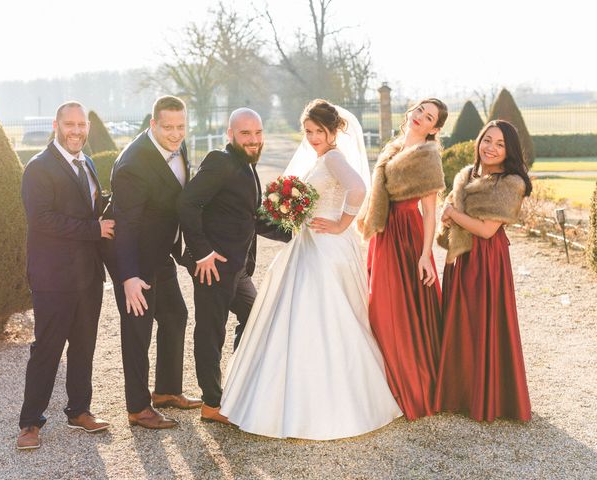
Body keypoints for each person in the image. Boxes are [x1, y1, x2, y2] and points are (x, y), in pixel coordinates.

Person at [219, 99, 402, 440]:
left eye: (320, 131)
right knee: (306, 313)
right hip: (311, 242)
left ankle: (325, 402)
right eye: (309, 131)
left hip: (325, 245)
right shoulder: (322, 157)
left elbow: (359, 189)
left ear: (335, 131)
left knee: (326, 314)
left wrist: (341, 224)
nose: (314, 137)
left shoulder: (332, 157)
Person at [178, 108, 290, 424]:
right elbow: (187, 203)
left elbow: (251, 218)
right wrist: (202, 253)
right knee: (211, 333)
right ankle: (212, 404)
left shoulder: (247, 166)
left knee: (255, 319)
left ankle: (238, 385)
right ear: (231, 135)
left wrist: (295, 235)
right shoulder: (219, 162)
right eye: (245, 134)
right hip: (212, 267)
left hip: (238, 270)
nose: (253, 140)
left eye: (257, 133)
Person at [18, 101, 113, 450]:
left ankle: (79, 411)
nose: (76, 131)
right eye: (69, 124)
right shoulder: (38, 168)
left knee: (84, 346)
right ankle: (30, 422)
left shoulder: (86, 162)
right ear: (56, 126)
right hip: (53, 276)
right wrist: (94, 229)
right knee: (47, 349)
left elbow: (90, 206)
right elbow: (42, 219)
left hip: (87, 275)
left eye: (81, 124)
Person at [104, 95, 200, 430]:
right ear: (153, 125)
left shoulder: (179, 147)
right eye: (168, 127)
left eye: (181, 127)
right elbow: (126, 226)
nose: (176, 134)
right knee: (137, 331)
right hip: (134, 259)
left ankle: (167, 391)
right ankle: (138, 408)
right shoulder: (133, 165)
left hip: (160, 253)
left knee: (176, 314)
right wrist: (128, 276)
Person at [434, 120, 532, 422]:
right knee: (461, 322)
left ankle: (490, 396)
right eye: (487, 140)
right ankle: (461, 393)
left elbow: (488, 231)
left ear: (509, 150)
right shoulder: (465, 175)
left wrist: (453, 214)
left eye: (500, 144)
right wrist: (447, 218)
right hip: (461, 256)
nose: (490, 148)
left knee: (484, 321)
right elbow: (450, 215)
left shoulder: (511, 182)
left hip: (486, 260)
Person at [357, 98, 448, 420]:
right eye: (419, 111)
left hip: (407, 236)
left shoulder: (427, 156)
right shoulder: (393, 147)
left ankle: (408, 384)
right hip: (384, 234)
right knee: (378, 306)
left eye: (429, 117)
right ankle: (381, 382)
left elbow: (429, 212)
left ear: (435, 128)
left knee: (395, 309)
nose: (420, 117)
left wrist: (425, 256)